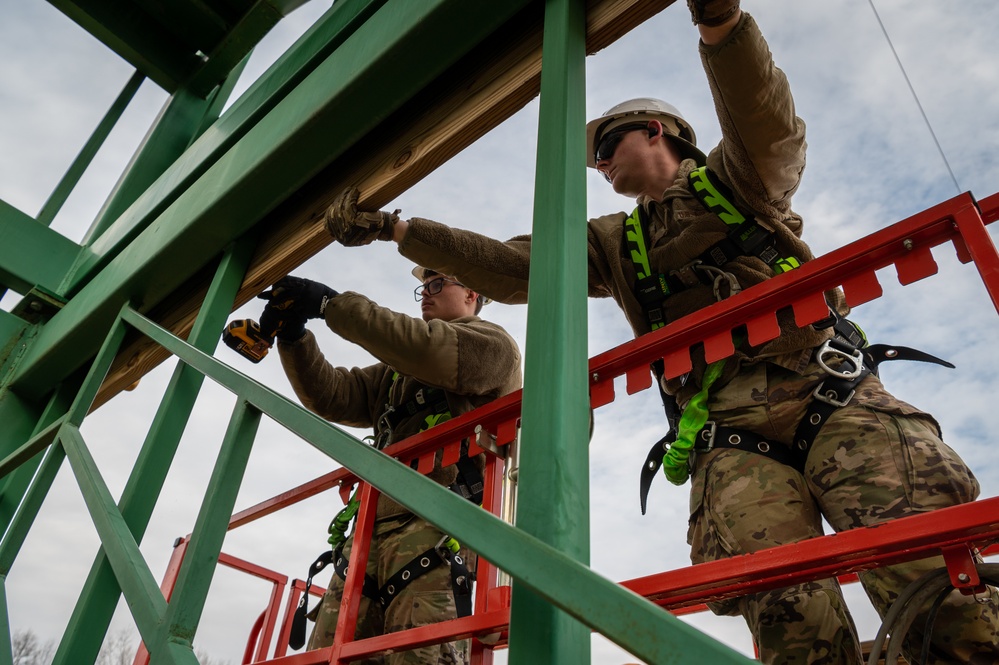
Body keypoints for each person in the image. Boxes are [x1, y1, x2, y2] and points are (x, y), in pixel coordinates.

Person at [320, 2, 999, 663]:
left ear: (656, 131)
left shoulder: (738, 184)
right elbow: (517, 266)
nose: (598, 163)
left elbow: (766, 124)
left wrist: (720, 25)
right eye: (593, 158)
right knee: (784, 613)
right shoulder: (613, 243)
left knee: (930, 580)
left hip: (827, 392)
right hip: (728, 434)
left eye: (606, 145)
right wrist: (398, 228)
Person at [248, 269, 522, 664]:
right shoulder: (399, 373)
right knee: (331, 657)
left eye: (436, 284)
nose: (425, 294)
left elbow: (427, 349)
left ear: (472, 293)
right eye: (422, 287)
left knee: (421, 657)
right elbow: (336, 395)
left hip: (440, 534)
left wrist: (330, 305)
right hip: (368, 538)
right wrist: (294, 338)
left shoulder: (494, 346)